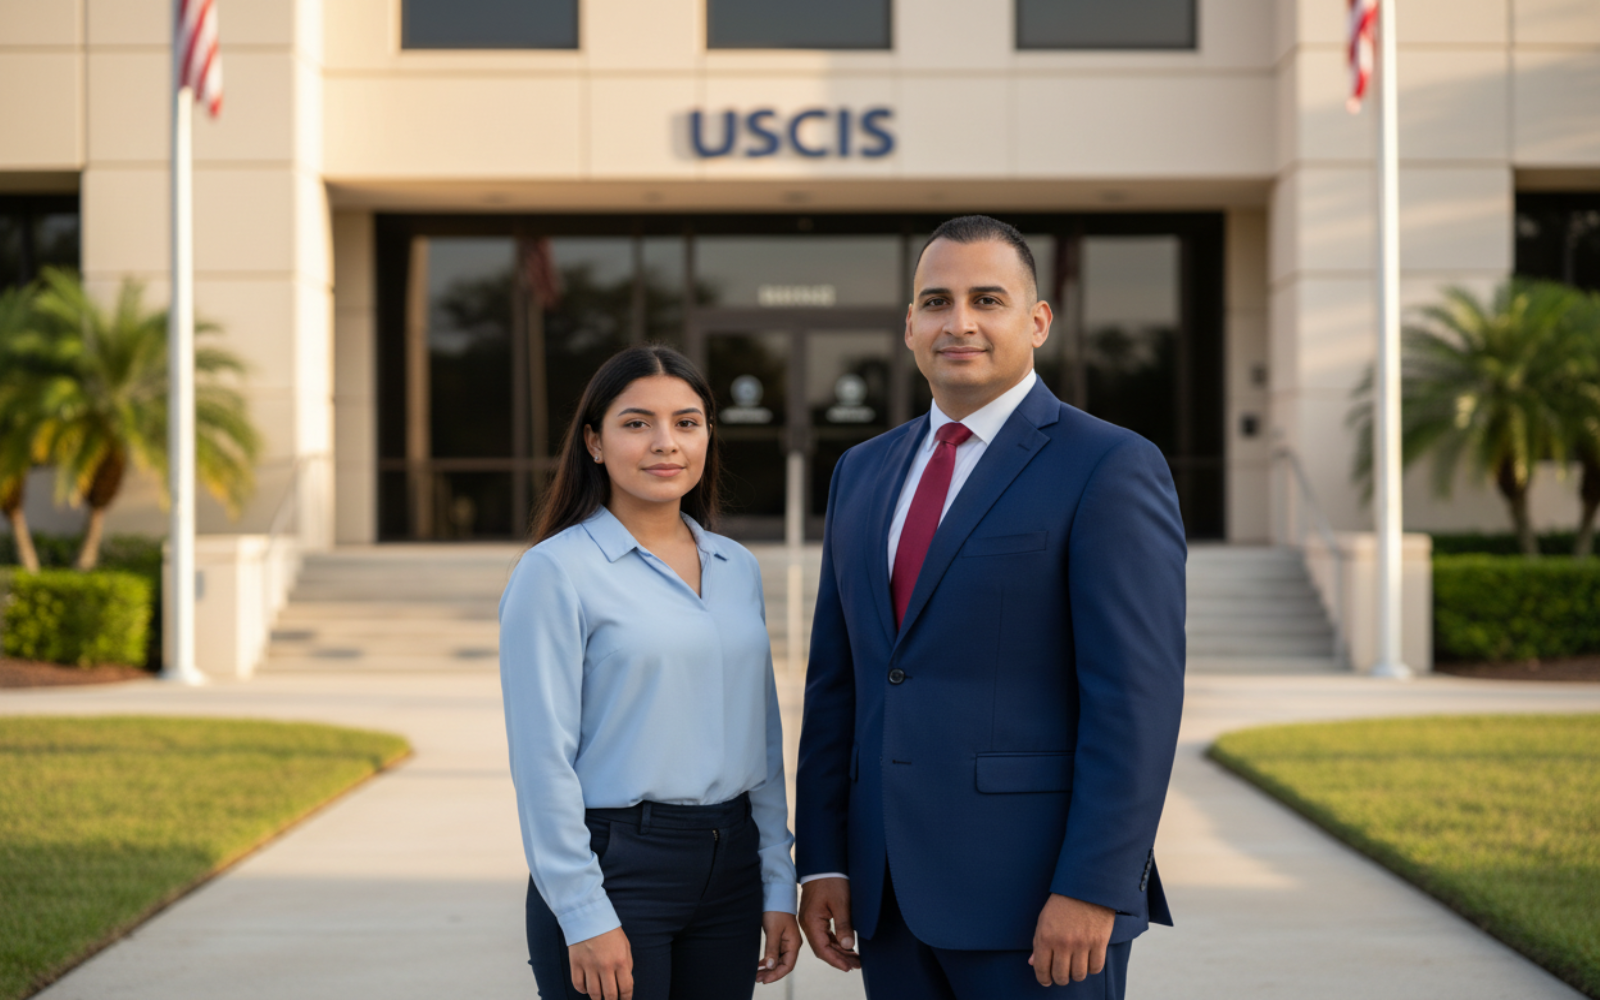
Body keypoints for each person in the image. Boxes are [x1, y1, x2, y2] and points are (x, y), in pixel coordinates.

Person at [794, 216, 1186, 999]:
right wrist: (824, 857)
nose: (959, 322)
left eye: (987, 300)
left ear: (1037, 321)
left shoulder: (1109, 465)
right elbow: (838, 684)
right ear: (910, 325)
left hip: (1039, 904)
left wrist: (1096, 885)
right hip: (888, 900)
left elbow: (1135, 701)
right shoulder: (861, 472)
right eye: (936, 302)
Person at [499, 345, 802, 1000]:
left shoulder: (737, 567)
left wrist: (777, 882)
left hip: (731, 868)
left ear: (707, 437)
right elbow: (541, 761)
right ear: (594, 442)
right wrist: (582, 910)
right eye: (637, 423)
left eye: (686, 423)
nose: (666, 443)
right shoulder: (555, 572)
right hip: (615, 868)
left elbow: (762, 743)